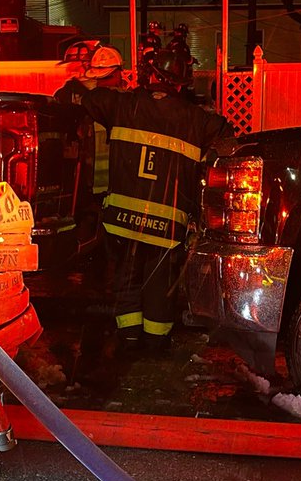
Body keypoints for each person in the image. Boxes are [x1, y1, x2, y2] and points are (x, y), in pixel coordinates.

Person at [60, 43, 232, 352]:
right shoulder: (195, 118)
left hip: (124, 221)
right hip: (167, 223)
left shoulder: (123, 105)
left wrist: (95, 76)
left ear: (149, 76)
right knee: (160, 283)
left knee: (127, 278)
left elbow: (89, 98)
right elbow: (224, 131)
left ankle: (128, 338)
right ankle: (155, 341)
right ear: (182, 82)